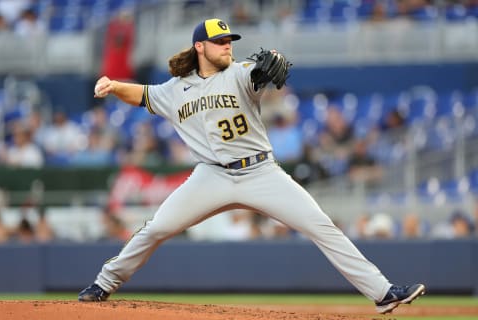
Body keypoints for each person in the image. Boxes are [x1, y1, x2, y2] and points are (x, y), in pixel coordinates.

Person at [78, 18, 425, 314]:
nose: (227, 46)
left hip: (261, 172)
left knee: (321, 226)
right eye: (219, 42)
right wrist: (113, 85)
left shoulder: (242, 73)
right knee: (156, 229)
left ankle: (382, 293)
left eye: (230, 40)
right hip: (211, 175)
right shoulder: (176, 89)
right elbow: (142, 94)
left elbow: (261, 74)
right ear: (200, 47)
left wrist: (273, 61)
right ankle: (103, 283)